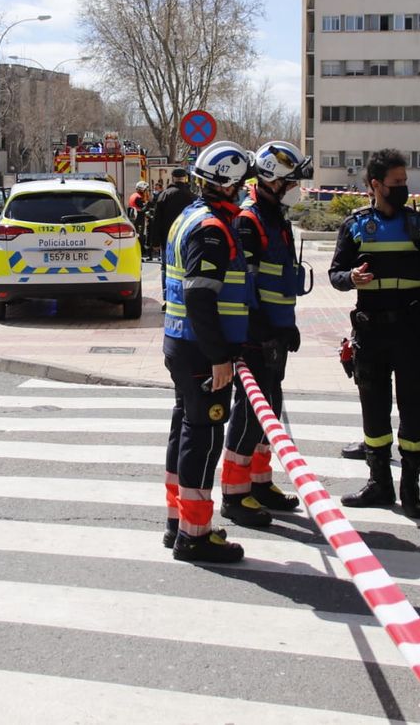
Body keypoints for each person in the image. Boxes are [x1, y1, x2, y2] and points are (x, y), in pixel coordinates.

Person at [328, 148, 420, 519]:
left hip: (412, 333)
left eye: (404, 182)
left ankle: (411, 490)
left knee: (412, 412)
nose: (403, 187)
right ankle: (379, 484)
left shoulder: (419, 225)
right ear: (375, 185)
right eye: (396, 182)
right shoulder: (355, 225)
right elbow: (336, 274)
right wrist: (350, 279)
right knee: (374, 411)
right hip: (370, 334)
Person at [162, 141, 256, 564]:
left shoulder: (189, 217)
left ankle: (177, 523)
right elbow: (201, 298)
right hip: (201, 351)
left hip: (182, 343)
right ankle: (195, 535)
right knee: (203, 436)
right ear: (230, 184)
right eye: (242, 184)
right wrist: (220, 357)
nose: (244, 191)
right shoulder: (213, 229)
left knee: (185, 427)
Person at [220, 141, 310, 528]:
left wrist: (286, 326)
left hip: (275, 330)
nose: (294, 189)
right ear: (271, 180)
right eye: (289, 182)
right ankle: (234, 493)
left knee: (269, 406)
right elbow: (245, 283)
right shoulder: (249, 220)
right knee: (250, 411)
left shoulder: (276, 217)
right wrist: (263, 331)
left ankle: (259, 482)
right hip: (256, 334)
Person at [151, 167, 193, 260]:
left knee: (165, 268)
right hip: (187, 239)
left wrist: (155, 242)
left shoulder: (164, 195)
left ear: (173, 178)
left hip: (167, 239)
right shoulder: (192, 196)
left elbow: (157, 220)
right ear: (185, 178)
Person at [127, 181, 152, 257]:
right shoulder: (138, 197)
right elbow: (143, 209)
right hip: (139, 219)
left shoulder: (134, 195)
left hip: (135, 218)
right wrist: (148, 203)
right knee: (139, 236)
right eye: (145, 190)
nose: (146, 192)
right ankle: (140, 252)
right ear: (142, 189)